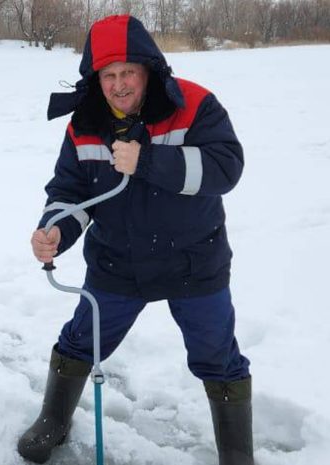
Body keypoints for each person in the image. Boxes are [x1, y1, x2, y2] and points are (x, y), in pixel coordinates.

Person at [18, 15, 253, 465]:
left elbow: (227, 169)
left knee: (218, 356)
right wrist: (55, 229)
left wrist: (148, 161)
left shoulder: (196, 104)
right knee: (80, 341)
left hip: (194, 261)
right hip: (117, 263)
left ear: (149, 69)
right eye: (109, 75)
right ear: (96, 79)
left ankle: (237, 453)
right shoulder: (84, 124)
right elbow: (71, 192)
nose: (120, 85)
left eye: (129, 72)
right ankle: (54, 419)